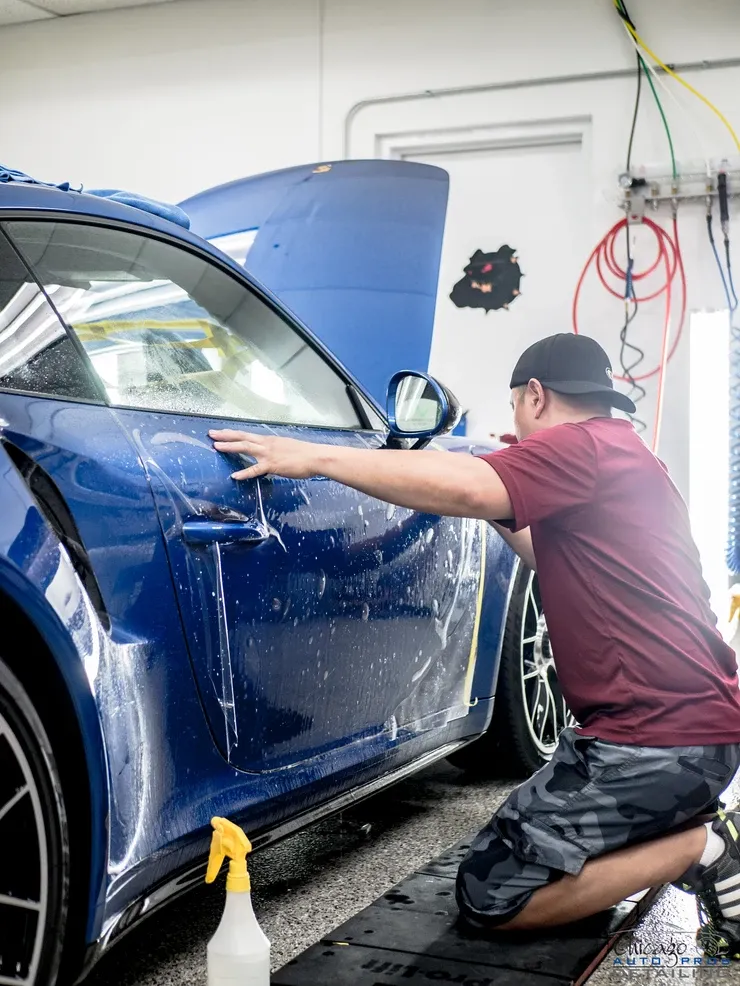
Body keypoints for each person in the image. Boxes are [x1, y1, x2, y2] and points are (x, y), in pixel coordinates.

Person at [210, 332, 740, 958]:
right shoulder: (624, 454)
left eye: (515, 405)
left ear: (535, 397)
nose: (515, 419)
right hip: (693, 733)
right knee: (543, 845)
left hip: (655, 743)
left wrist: (316, 457)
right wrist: (500, 499)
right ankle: (687, 829)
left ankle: (704, 847)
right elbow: (548, 555)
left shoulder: (580, 446)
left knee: (493, 896)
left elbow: (465, 487)